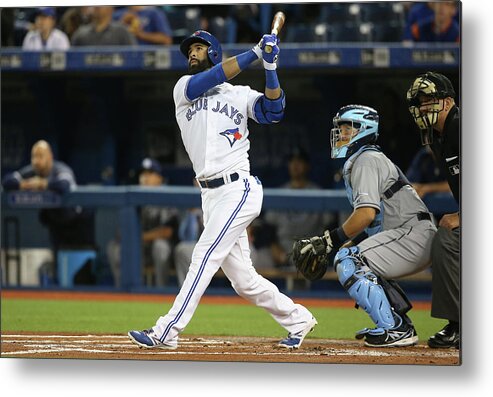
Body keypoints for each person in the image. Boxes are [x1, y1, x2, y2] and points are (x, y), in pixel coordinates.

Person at [128, 30, 317, 350]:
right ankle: (298, 318)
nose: (192, 53)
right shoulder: (183, 89)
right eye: (189, 49)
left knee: (202, 255)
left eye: (199, 48)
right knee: (243, 281)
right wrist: (256, 54)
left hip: (238, 188)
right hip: (210, 195)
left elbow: (274, 111)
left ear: (214, 52)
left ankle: (167, 331)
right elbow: (214, 76)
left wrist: (271, 69)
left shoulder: (239, 93)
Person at [293, 105, 437, 347]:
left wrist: (330, 241)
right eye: (340, 129)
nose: (341, 134)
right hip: (408, 233)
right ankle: (399, 323)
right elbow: (372, 224)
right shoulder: (365, 158)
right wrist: (339, 245)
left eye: (347, 128)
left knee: (349, 260)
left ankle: (394, 328)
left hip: (413, 234)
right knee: (352, 255)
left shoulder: (366, 159)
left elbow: (366, 215)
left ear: (364, 129)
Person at [406, 71, 460, 349]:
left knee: (447, 240)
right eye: (420, 102)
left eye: (429, 101)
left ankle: (459, 325)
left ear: (448, 102)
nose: (423, 107)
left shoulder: (462, 127)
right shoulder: (438, 135)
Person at [1, 140, 94, 277]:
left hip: (77, 225)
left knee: (77, 273)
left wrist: (43, 184)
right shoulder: (31, 171)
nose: (36, 161)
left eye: (40, 156)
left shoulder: (60, 169)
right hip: (56, 223)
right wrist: (23, 185)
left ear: (50, 156)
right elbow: (7, 181)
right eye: (34, 156)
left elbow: (64, 184)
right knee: (57, 266)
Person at [106, 158, 179, 288]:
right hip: (138, 248)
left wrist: (140, 238)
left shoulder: (167, 196)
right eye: (142, 173)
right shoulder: (133, 197)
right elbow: (121, 232)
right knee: (113, 247)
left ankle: (161, 291)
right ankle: (121, 290)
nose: (144, 177)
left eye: (149, 173)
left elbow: (167, 232)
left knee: (160, 246)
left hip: (159, 249)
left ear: (159, 178)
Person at [264, 148, 335, 267]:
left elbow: (330, 226)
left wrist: (320, 249)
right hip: (284, 248)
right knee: (260, 258)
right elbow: (268, 227)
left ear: (307, 166)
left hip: (311, 248)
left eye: (300, 161)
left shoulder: (319, 193)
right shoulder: (280, 193)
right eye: (292, 161)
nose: (295, 165)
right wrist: (274, 247)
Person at [71, 6, 136, 46]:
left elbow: (133, 56)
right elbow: (72, 59)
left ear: (111, 8)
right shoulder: (80, 33)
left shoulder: (122, 32)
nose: (97, 6)